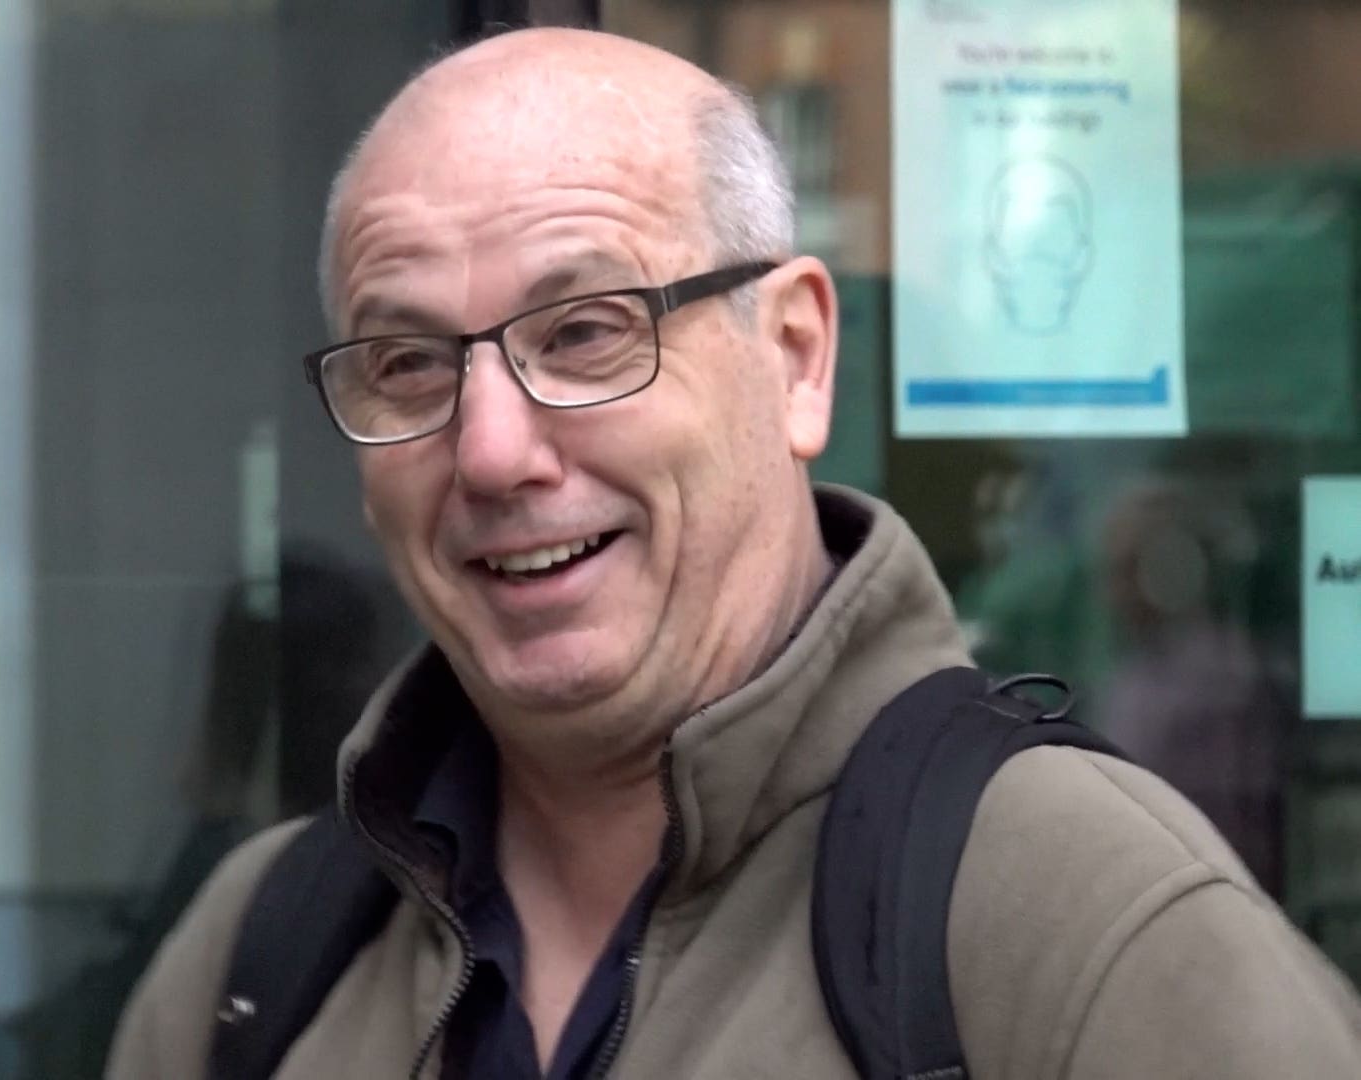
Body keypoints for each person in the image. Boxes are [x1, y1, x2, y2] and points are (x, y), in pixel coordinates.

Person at [108, 27, 1361, 1079]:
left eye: (589, 331)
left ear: (798, 356)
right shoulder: (261, 960)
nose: (493, 453)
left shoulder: (1079, 922)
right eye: (409, 364)